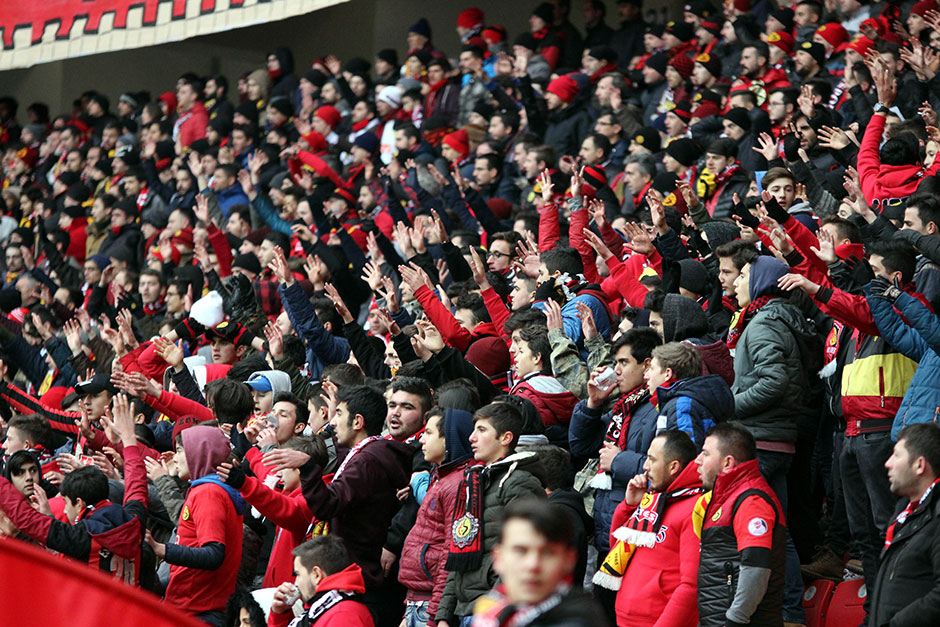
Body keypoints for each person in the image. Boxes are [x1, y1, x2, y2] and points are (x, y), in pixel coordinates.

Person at [435, 402, 546, 626]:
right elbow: (460, 551)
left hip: (495, 612)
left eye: (482, 430)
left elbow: (524, 554)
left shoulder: (519, 482)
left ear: (505, 438)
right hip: (466, 611)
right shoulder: (474, 482)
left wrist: (495, 610)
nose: (471, 438)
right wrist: (443, 616)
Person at [597, 430, 701, 626]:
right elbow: (616, 552)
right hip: (626, 616)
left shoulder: (694, 507)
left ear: (673, 467)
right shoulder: (652, 499)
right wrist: (629, 506)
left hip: (655, 619)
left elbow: (691, 585)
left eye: (652, 459)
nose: (645, 466)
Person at [146, 425, 246, 623]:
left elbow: (213, 554)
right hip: (192, 607)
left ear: (199, 453)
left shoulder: (208, 493)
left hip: (198, 611)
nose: (175, 458)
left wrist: (160, 549)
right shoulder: (206, 489)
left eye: (181, 451)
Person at [696, 423, 785, 627]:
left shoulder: (751, 500)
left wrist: (735, 619)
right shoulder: (728, 498)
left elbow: (756, 566)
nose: (697, 461)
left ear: (727, 463)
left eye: (705, 454)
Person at [472, 499, 609, 627]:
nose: (533, 565)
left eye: (547, 553)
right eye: (521, 551)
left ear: (569, 560)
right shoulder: (490, 607)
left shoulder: (578, 621)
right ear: (498, 558)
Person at [868, 423, 940, 626]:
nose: (887, 463)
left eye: (896, 455)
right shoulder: (905, 515)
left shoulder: (936, 517)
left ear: (919, 465)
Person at [268, 535, 373, 627]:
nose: (296, 583)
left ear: (316, 574)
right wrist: (280, 615)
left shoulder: (343, 616)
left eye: (298, 574)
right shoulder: (326, 610)